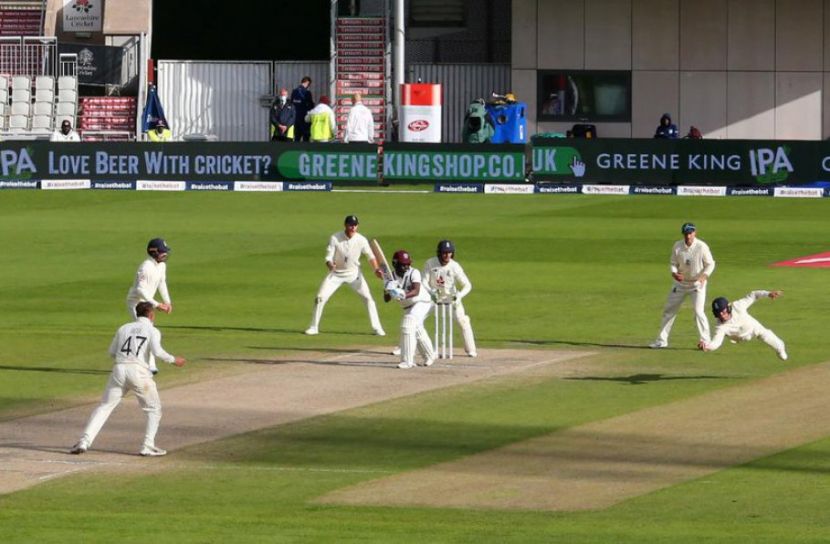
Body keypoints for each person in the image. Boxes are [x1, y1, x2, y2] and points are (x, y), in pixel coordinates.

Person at [69, 301, 186, 457]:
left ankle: (84, 441)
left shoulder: (123, 328)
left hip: (119, 370)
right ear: (151, 315)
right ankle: (148, 445)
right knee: (153, 410)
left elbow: (112, 352)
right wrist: (173, 360)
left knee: (104, 407)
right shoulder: (152, 330)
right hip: (138, 372)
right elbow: (157, 352)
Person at [305, 215, 385, 336]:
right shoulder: (335, 238)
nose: (353, 227)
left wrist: (376, 270)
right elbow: (328, 257)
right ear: (345, 225)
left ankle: (377, 328)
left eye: (355, 225)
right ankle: (314, 327)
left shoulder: (361, 240)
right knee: (320, 297)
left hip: (354, 274)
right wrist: (330, 265)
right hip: (336, 274)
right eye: (350, 225)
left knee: (368, 299)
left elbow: (371, 256)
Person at [650, 222, 715, 349]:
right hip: (680, 284)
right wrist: (674, 274)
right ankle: (661, 341)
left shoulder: (702, 246)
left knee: (698, 312)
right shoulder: (677, 246)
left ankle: (705, 341)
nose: (688, 236)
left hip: (697, 285)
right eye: (686, 233)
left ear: (694, 233)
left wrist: (703, 277)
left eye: (690, 233)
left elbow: (710, 264)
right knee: (669, 311)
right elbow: (673, 263)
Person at [126, 238, 174, 374]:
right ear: (153, 252)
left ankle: (149, 365)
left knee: (149, 332)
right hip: (135, 303)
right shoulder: (145, 267)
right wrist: (157, 304)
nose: (165, 255)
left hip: (147, 303)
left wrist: (167, 301)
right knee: (147, 332)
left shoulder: (162, 266)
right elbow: (140, 290)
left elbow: (162, 283)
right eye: (162, 252)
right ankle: (149, 366)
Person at [423, 240, 477, 357]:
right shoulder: (430, 263)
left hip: (451, 299)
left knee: (463, 321)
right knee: (414, 319)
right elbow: (424, 281)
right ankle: (403, 347)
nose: (447, 255)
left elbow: (468, 285)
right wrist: (431, 291)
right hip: (434, 298)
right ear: (439, 253)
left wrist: (459, 296)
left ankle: (471, 349)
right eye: (444, 253)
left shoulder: (454, 266)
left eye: (449, 253)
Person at [698, 291, 787, 361]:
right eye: (718, 313)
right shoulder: (720, 327)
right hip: (739, 337)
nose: (721, 315)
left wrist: (768, 294)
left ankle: (780, 349)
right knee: (743, 337)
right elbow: (716, 343)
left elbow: (754, 295)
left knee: (766, 336)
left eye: (723, 311)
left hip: (753, 328)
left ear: (728, 307)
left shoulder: (737, 305)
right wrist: (707, 346)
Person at [384, 250, 436, 369]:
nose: (406, 266)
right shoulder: (390, 277)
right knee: (416, 328)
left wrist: (402, 294)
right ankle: (429, 355)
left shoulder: (414, 272)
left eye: (408, 264)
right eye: (403, 264)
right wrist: (388, 289)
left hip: (422, 302)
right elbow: (386, 299)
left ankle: (407, 361)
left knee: (408, 323)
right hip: (408, 306)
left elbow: (416, 290)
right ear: (395, 264)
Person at [291, 76, 314, 142]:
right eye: (309, 84)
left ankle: (295, 151)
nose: (308, 86)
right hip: (304, 119)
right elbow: (311, 106)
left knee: (297, 137)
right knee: (306, 138)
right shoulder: (307, 93)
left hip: (296, 119)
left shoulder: (294, 91)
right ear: (307, 82)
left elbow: (292, 104)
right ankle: (305, 152)